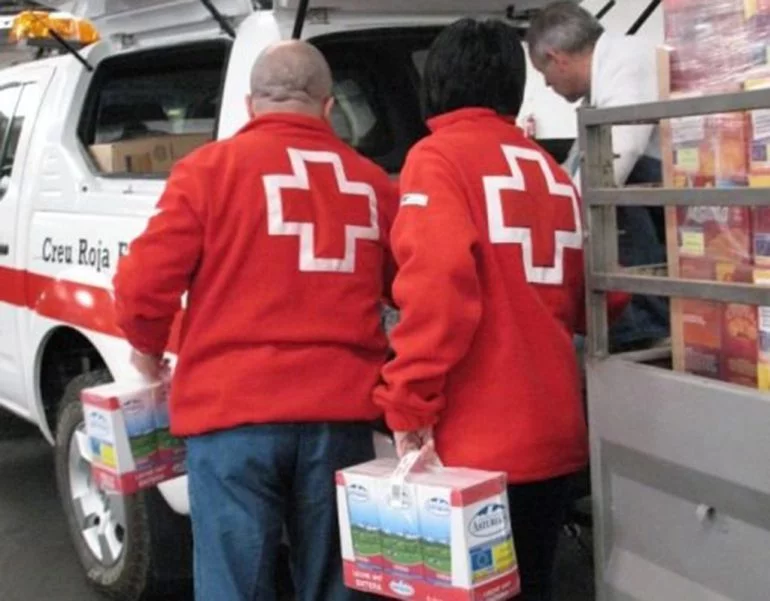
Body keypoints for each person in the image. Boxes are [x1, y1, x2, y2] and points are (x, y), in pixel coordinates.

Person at [113, 40, 398, 601]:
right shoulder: (372, 182)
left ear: (249, 105)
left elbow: (143, 287)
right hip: (338, 419)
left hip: (232, 418)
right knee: (336, 586)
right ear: (327, 105)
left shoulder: (207, 172)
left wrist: (146, 352)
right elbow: (405, 290)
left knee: (234, 586)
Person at [373, 18, 627, 601]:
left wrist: (407, 400)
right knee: (532, 583)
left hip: (474, 443)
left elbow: (436, 287)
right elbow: (604, 295)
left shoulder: (437, 159)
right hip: (555, 432)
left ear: (435, 83)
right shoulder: (552, 171)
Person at [527, 1, 669, 352]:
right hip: (666, 194)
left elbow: (614, 157)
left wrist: (555, 218)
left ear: (557, 57)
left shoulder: (627, 64)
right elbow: (582, 155)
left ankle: (640, 324)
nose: (546, 85)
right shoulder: (612, 68)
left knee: (607, 192)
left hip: (681, 192)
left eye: (544, 72)